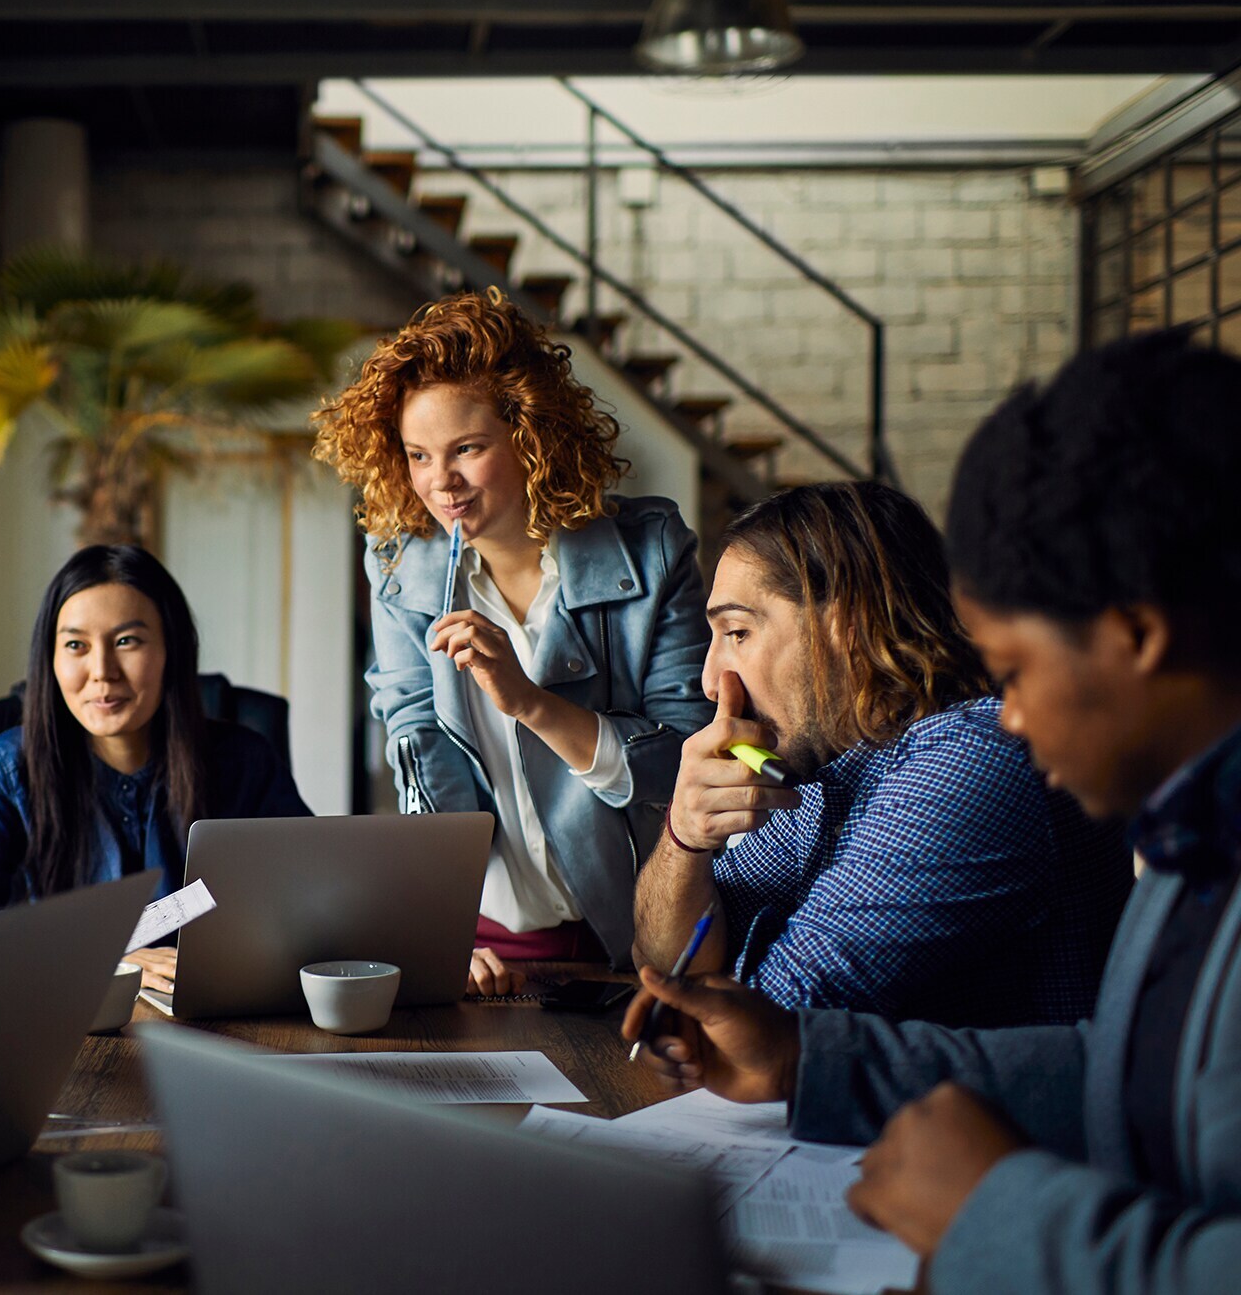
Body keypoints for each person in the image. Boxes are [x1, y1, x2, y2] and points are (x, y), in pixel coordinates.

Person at [623, 330, 1241, 1294]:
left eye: (1018, 670)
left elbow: (778, 981)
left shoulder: (983, 752)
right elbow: (1131, 1071)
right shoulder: (1191, 831)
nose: (1015, 715)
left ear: (1137, 637)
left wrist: (1000, 1215)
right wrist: (802, 1055)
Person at [312, 290, 712, 989]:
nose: (441, 483)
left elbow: (681, 765)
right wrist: (436, 930)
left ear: (531, 437)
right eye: (418, 455)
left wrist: (530, 702)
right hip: (487, 942)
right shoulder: (400, 567)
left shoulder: (651, 553)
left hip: (642, 937)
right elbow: (417, 744)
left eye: (467, 449)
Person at [633, 482, 1128, 1026]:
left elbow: (768, 1021)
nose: (710, 682)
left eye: (738, 632)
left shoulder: (971, 760)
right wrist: (684, 838)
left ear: (849, 626)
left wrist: (703, 991)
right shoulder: (827, 770)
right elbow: (666, 967)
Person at [0, 545, 310, 993]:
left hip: (216, 1004)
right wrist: (94, 955)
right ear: (50, 660)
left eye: (126, 641)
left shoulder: (244, 760)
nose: (102, 671)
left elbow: (316, 895)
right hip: (69, 1010)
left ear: (171, 651)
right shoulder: (13, 766)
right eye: (75, 645)